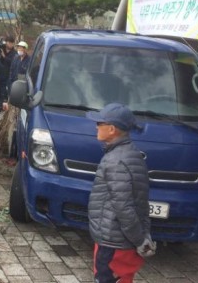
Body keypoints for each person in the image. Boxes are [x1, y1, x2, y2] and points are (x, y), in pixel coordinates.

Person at [86, 103, 156, 283]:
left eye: (99, 123)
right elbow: (141, 201)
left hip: (113, 242)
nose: (96, 126)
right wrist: (144, 235)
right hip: (120, 241)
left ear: (112, 129)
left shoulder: (115, 161)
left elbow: (124, 207)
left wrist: (139, 240)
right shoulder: (132, 154)